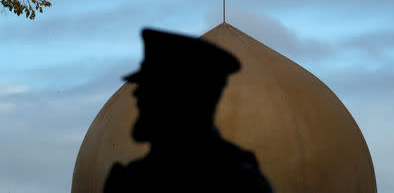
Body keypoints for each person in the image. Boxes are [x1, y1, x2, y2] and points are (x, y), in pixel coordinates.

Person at [104, 28, 274, 192]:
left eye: (152, 87)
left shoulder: (237, 182)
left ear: (185, 97)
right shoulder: (132, 180)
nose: (136, 94)